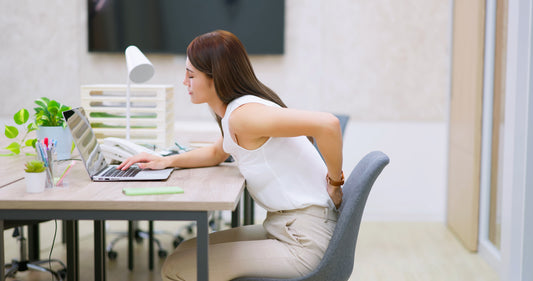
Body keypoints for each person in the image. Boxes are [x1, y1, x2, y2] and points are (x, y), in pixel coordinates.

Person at [117, 30, 344, 281]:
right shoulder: (237, 111)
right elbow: (217, 152)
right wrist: (165, 161)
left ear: (215, 78)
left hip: (303, 240)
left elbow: (328, 125)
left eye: (191, 75)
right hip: (286, 226)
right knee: (184, 251)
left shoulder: (244, 116)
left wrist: (335, 184)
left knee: (175, 268)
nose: (184, 82)